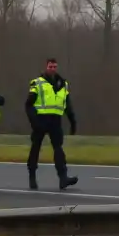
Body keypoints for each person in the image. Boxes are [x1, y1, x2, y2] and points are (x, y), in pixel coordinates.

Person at [26, 57, 78, 190]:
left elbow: (67, 104)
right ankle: (32, 176)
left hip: (55, 120)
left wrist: (72, 121)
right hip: (41, 120)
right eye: (50, 66)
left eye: (55, 66)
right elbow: (28, 105)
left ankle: (63, 178)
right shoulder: (37, 83)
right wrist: (34, 121)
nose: (53, 69)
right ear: (46, 67)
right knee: (36, 148)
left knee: (58, 149)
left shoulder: (63, 84)